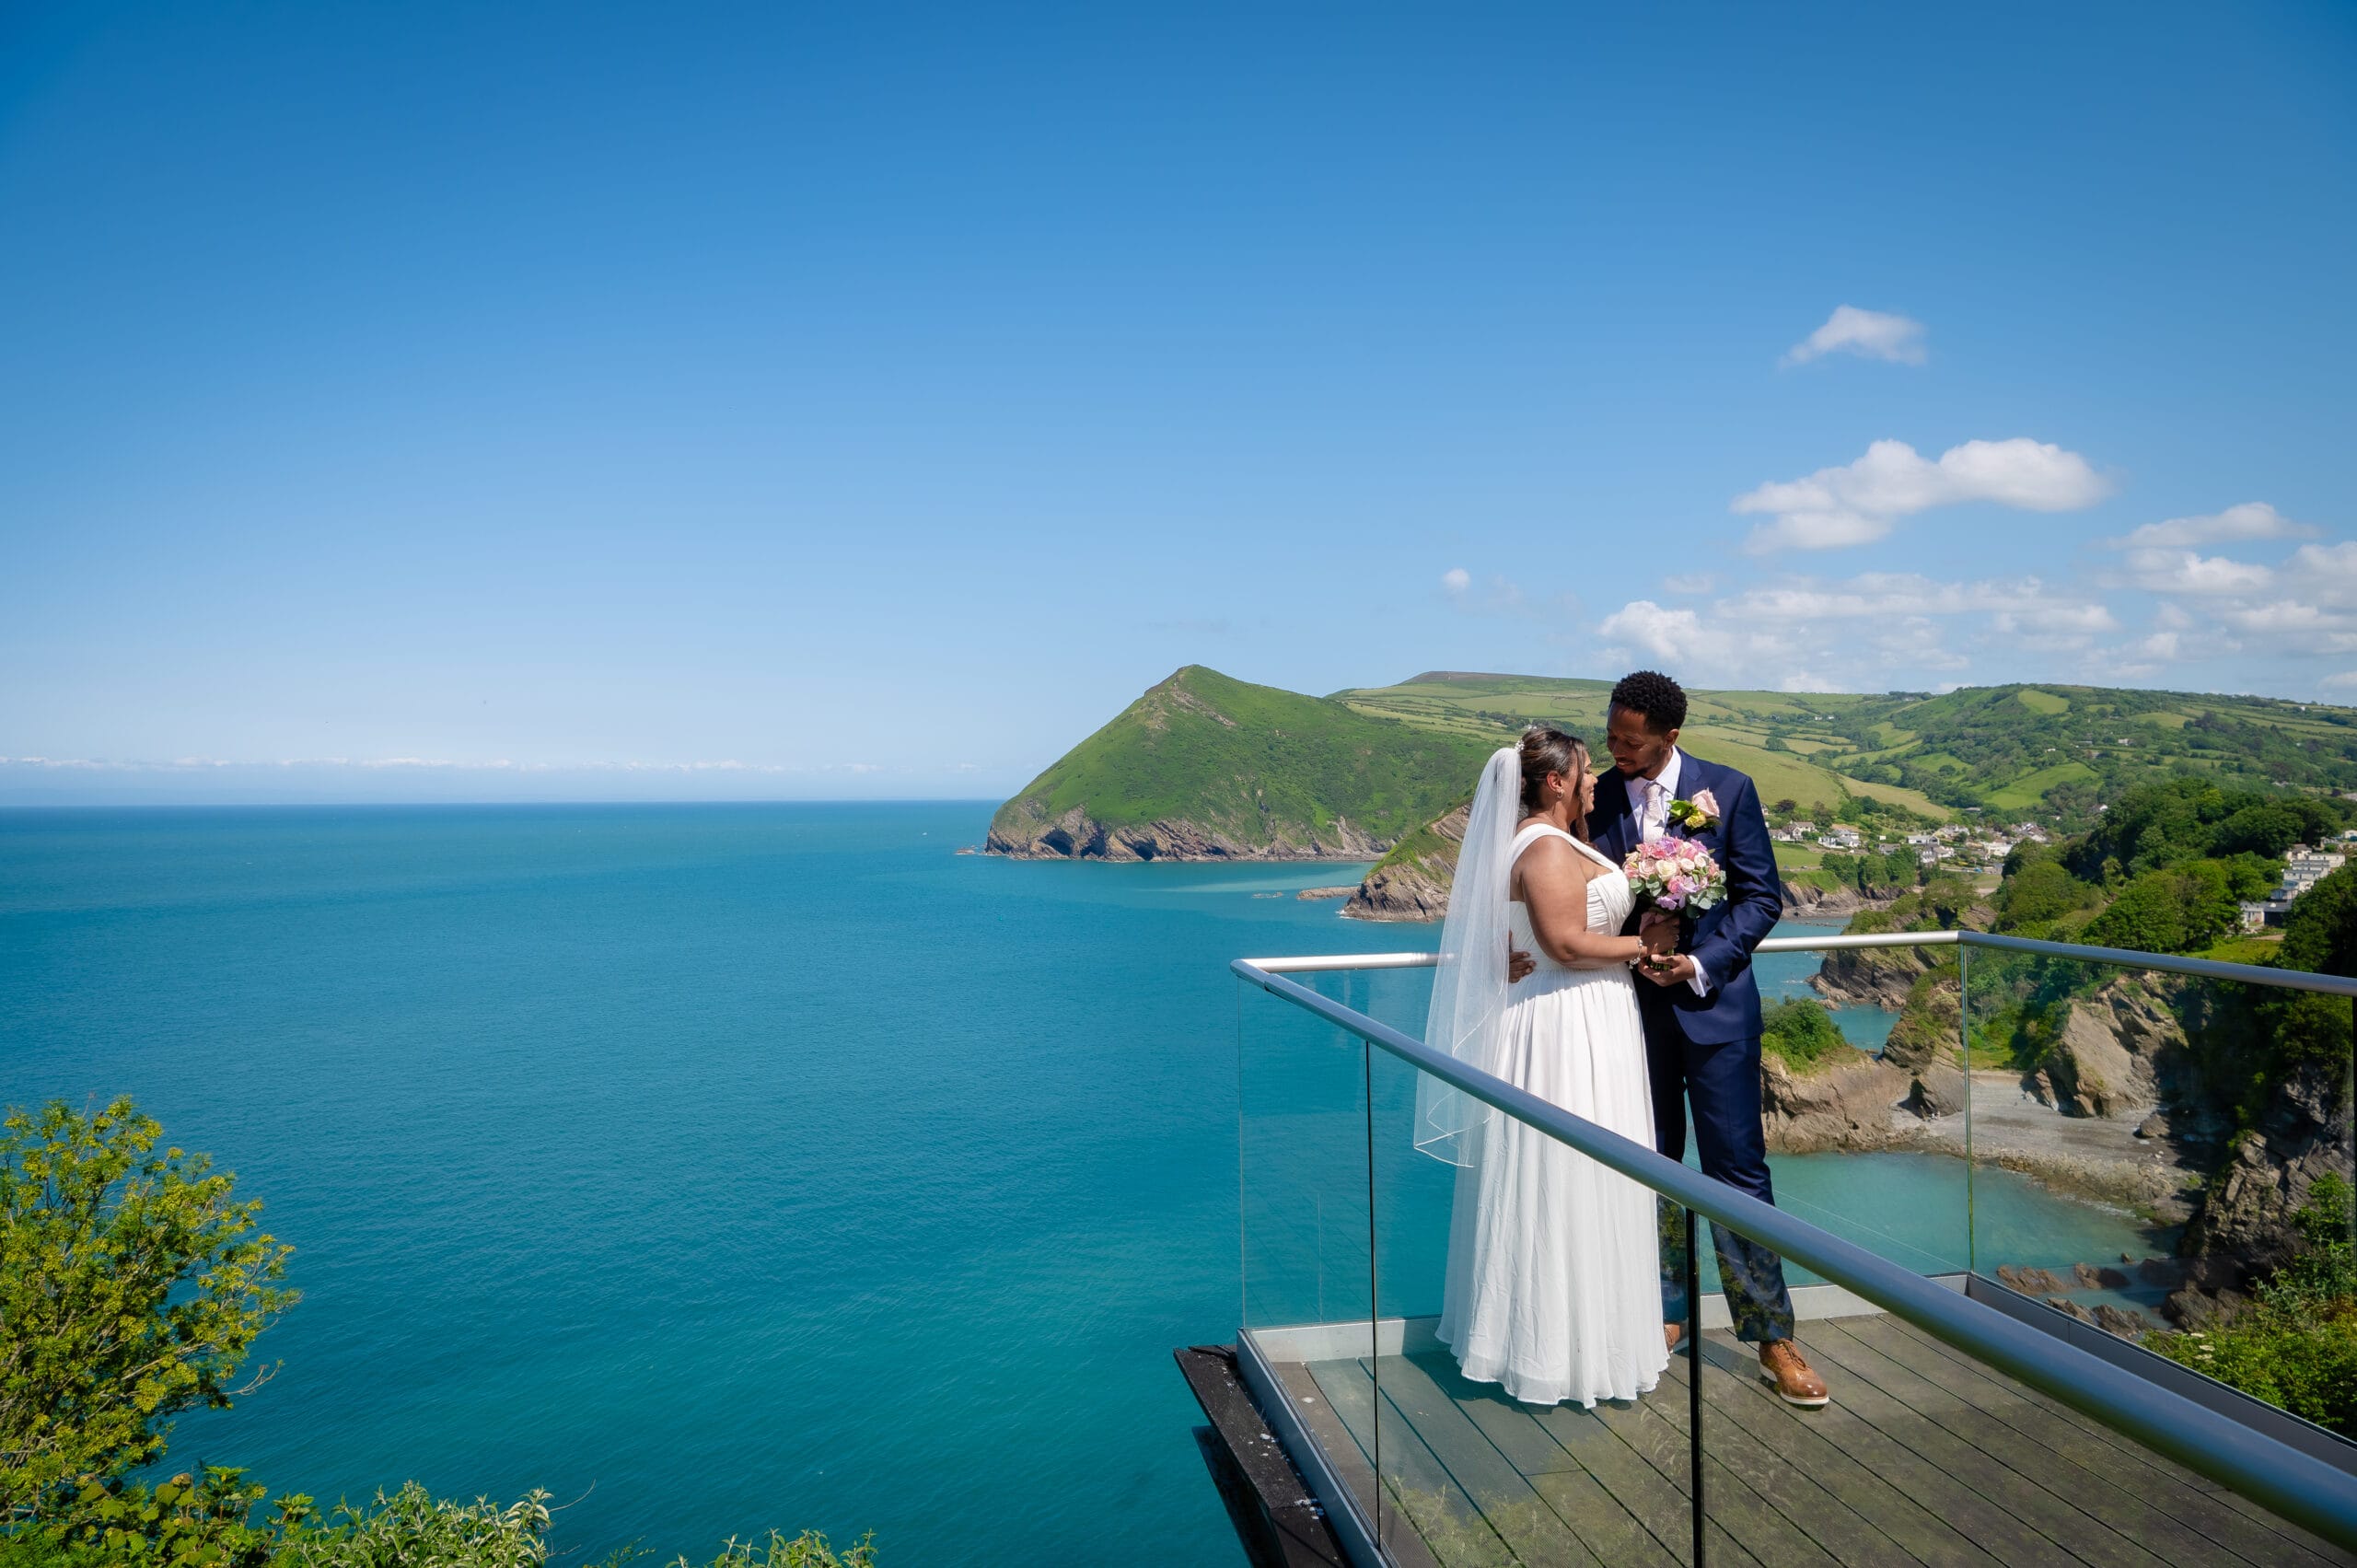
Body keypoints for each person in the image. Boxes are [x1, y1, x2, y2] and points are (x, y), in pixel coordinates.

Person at [1515, 670, 1830, 1406]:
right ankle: (1661, 1314)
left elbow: (1761, 899)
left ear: (1670, 737)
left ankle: (1772, 1335)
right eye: (1612, 736)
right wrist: (1506, 944)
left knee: (1738, 1172)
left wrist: (1699, 962)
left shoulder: (1732, 790)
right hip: (1625, 1018)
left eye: (1631, 741)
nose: (1616, 751)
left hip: (1715, 1012)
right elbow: (1542, 878)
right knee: (1645, 1166)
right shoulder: (1592, 802)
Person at [1418, 726, 1674, 1407]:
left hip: (1579, 1018)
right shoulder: (1547, 847)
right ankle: (1558, 1353)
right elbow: (1562, 943)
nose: (1595, 781)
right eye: (1586, 770)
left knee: (1569, 1177)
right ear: (1555, 780)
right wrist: (1643, 947)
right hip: (1568, 1027)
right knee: (1564, 1178)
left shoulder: (1552, 841)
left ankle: (1569, 1340)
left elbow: (1523, 937)